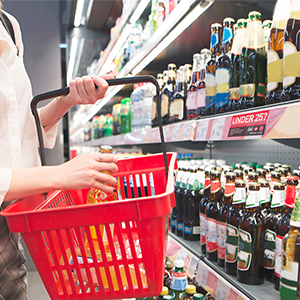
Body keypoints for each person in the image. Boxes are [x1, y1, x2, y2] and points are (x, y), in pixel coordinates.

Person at [0, 4, 118, 299]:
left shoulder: (9, 24)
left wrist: (67, 100)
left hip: (8, 222)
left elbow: (16, 131)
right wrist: (59, 175)